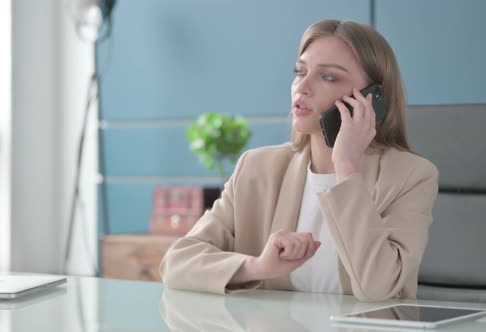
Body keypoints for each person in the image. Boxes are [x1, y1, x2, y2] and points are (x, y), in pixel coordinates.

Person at [159, 19, 438, 302]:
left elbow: (378, 288)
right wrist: (257, 267)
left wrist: (346, 169)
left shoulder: (411, 176)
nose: (302, 86)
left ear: (371, 98)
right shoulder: (257, 168)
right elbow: (176, 263)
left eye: (329, 77)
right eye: (300, 71)